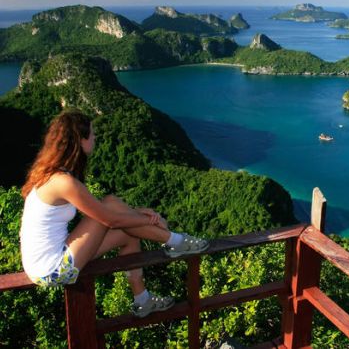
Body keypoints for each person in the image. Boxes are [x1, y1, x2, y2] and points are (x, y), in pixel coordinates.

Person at [19, 109, 209, 318]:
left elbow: (101, 213)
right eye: (91, 133)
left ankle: (142, 300)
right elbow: (110, 219)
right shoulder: (62, 182)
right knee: (110, 205)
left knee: (129, 233)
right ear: (79, 141)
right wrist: (149, 219)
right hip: (52, 270)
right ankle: (175, 241)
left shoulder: (52, 174)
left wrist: (137, 213)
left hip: (51, 261)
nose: (96, 137)